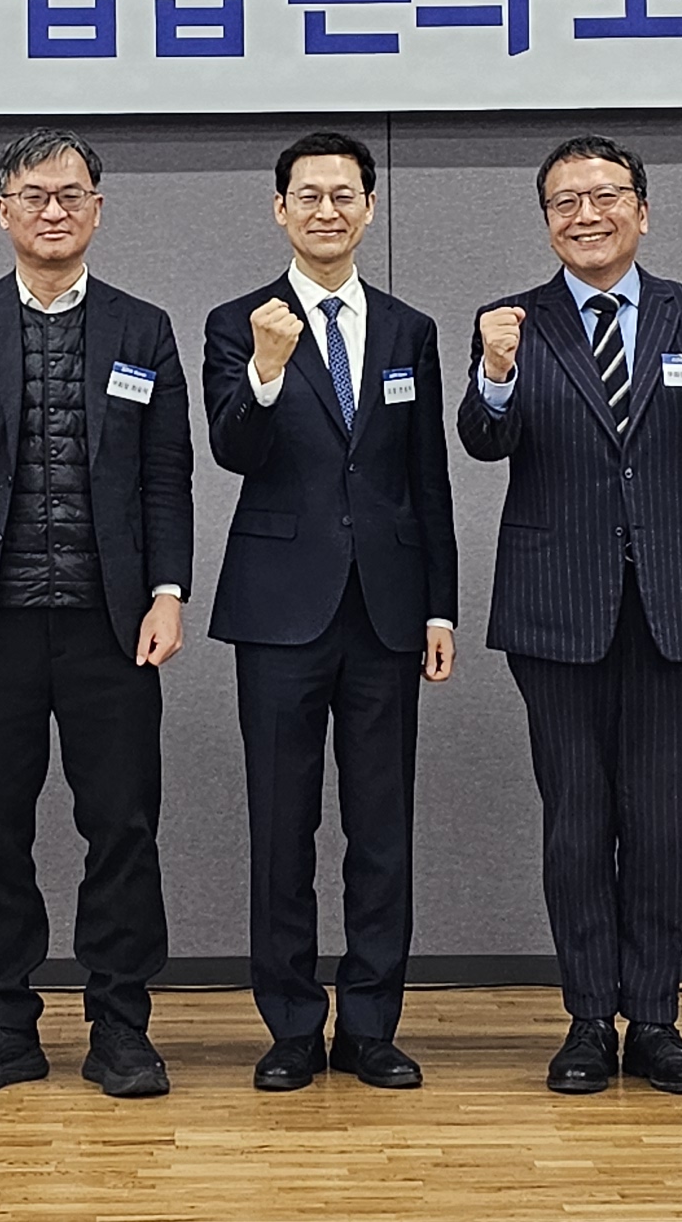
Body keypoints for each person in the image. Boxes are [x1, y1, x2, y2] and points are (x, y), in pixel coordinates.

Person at [456, 134, 682, 1096]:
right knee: (577, 821)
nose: (586, 215)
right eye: (565, 202)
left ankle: (658, 1019)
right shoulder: (514, 320)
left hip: (675, 600)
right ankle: (589, 1018)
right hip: (556, 606)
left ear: (643, 209)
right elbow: (484, 439)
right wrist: (494, 370)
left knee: (660, 823)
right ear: (546, 219)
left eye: (605, 196)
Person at [0, 128, 196, 1100]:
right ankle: (0, 1020)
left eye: (71, 194)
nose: (53, 211)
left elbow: (166, 475)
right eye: (34, 195)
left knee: (123, 825)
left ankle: (121, 1023)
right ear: (3, 211)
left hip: (111, 620)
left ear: (98, 209)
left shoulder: (142, 327)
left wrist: (168, 592)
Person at [198, 131, 459, 1093]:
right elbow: (233, 451)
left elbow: (427, 478)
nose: (326, 211)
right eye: (307, 195)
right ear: (280, 210)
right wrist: (266, 371)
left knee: (382, 830)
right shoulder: (240, 323)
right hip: (279, 612)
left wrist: (440, 608)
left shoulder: (408, 330)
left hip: (387, 612)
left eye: (344, 195)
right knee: (282, 828)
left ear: (370, 207)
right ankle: (293, 1027)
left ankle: (374, 1025)